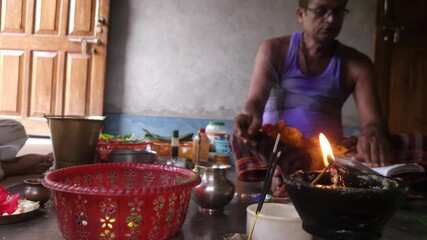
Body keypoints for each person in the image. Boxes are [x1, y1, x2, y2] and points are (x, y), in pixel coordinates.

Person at [232, 0, 390, 195]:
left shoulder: (358, 64)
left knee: (413, 144)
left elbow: (373, 122)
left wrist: (373, 134)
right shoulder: (273, 50)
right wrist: (249, 118)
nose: (331, 19)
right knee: (240, 138)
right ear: (301, 14)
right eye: (321, 11)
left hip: (329, 153)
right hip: (277, 148)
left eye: (338, 12)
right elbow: (255, 102)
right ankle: (291, 169)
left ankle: (291, 173)